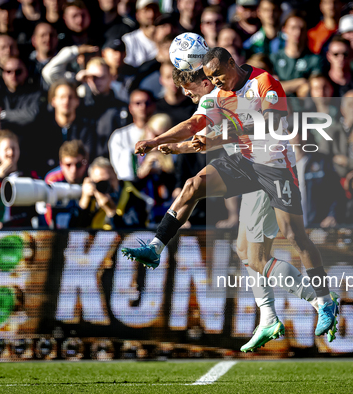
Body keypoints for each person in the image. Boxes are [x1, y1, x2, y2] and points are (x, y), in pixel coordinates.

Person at [122, 47, 340, 342]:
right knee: (194, 185)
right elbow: (193, 125)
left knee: (294, 236)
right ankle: (156, 246)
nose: (215, 81)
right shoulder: (218, 94)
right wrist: (156, 140)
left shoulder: (264, 83)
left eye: (217, 75)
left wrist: (213, 138)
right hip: (245, 163)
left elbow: (267, 125)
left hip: (275, 165)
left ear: (231, 63)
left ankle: (324, 301)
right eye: (210, 78)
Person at [0, 129, 36, 228]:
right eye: (6, 149)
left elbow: (33, 210)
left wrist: (6, 224)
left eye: (14, 148)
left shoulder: (29, 175)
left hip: (21, 231)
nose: (10, 153)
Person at [78, 156, 150, 229]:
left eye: (110, 180)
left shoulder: (133, 198)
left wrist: (111, 212)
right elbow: (73, 232)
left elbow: (133, 234)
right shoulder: (90, 197)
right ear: (92, 182)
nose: (107, 186)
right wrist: (84, 203)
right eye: (100, 183)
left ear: (116, 177)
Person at [269, 11, 322, 96]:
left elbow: (313, 88)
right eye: (293, 28)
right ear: (284, 29)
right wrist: (301, 82)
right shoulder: (274, 58)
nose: (298, 32)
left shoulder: (315, 60)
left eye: (302, 28)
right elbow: (270, 88)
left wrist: (283, 85)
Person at [108, 89, 156, 182]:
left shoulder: (164, 133)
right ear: (130, 108)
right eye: (138, 103)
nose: (143, 107)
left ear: (153, 105)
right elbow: (118, 169)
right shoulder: (119, 136)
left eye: (147, 102)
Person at [44, 139, 89, 228]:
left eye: (78, 165)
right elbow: (50, 220)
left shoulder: (93, 176)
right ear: (61, 164)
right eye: (68, 165)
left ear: (86, 163)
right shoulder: (53, 181)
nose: (73, 170)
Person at [121, 0, 160, 67]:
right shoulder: (128, 40)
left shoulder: (168, 39)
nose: (151, 14)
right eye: (146, 10)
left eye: (155, 10)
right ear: (137, 15)